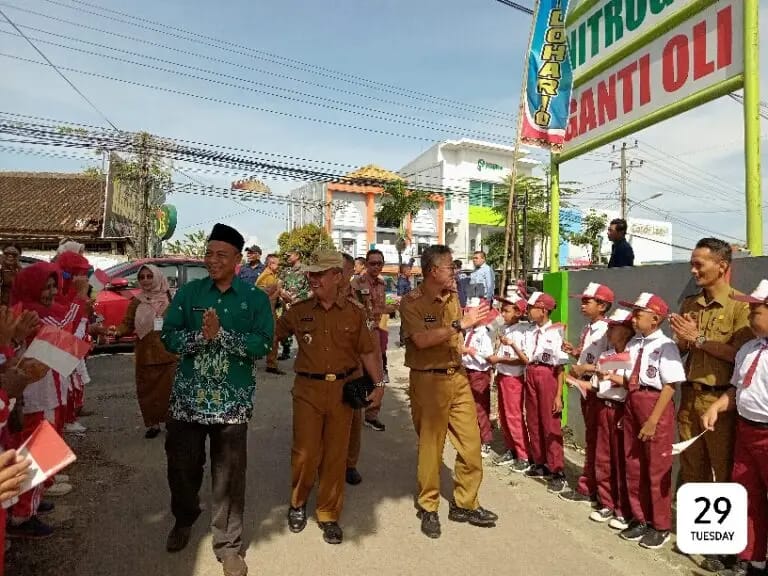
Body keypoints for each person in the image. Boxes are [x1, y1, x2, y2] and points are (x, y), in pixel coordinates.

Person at [161, 223, 273, 576]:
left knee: (229, 477)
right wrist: (201, 337)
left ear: (238, 259)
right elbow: (168, 336)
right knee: (182, 468)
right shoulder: (190, 293)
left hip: (231, 405)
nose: (212, 260)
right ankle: (185, 517)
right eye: (208, 254)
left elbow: (263, 343)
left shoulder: (255, 298)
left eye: (221, 255)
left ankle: (228, 545)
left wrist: (222, 336)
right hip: (187, 401)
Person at [275, 250, 383, 545]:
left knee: (336, 455)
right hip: (307, 391)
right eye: (311, 273)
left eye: (319, 273)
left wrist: (379, 384)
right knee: (305, 453)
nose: (313, 278)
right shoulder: (298, 311)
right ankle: (298, 502)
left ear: (337, 276)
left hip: (342, 393)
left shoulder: (354, 313)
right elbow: (271, 334)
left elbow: (367, 352)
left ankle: (328, 513)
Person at [400, 244, 498, 540]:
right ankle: (428, 506)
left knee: (471, 444)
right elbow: (421, 340)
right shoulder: (411, 302)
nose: (455, 271)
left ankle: (465, 503)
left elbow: (457, 335)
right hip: (428, 381)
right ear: (433, 271)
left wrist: (466, 332)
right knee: (431, 447)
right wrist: (459, 325)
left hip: (457, 377)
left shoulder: (453, 296)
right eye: (450, 266)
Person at [7, 262, 85, 538]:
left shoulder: (33, 309)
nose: (52, 292)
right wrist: (79, 297)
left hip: (46, 392)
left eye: (54, 286)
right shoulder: (30, 312)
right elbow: (66, 329)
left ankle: (30, 502)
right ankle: (22, 515)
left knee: (39, 449)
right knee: (36, 451)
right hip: (36, 396)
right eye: (46, 287)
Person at [702, 279, 768, 576]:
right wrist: (717, 406)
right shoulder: (749, 349)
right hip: (746, 430)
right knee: (746, 494)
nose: (750, 316)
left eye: (756, 310)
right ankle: (751, 559)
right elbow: (738, 388)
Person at [618, 292, 686, 550]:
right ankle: (640, 517)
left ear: (655, 319)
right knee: (634, 463)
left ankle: (660, 525)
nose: (633, 319)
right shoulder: (634, 344)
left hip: (654, 403)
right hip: (633, 400)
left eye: (638, 314)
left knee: (656, 467)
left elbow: (670, 385)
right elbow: (628, 376)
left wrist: (653, 420)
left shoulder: (666, 346)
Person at [109, 264, 178, 439]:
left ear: (157, 276)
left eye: (149, 276)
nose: (146, 280)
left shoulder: (171, 298)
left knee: (170, 392)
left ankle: (172, 423)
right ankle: (153, 424)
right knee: (147, 392)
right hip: (145, 355)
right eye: (142, 277)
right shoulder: (137, 301)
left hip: (168, 355)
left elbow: (181, 323)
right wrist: (117, 331)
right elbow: (127, 324)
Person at [560, 282, 613, 504]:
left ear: (602, 306)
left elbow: (610, 362)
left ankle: (596, 489)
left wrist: (584, 369)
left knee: (599, 442)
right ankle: (589, 484)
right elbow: (586, 356)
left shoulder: (608, 330)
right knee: (592, 438)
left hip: (599, 388)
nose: (582, 305)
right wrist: (574, 352)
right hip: (587, 386)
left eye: (587, 301)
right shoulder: (588, 328)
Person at [517, 291, 569, 493]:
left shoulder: (556, 331)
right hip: (531, 371)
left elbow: (560, 366)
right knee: (533, 419)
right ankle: (540, 462)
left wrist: (558, 395)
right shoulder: (531, 331)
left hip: (548, 374)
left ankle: (557, 470)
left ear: (544, 310)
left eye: (532, 308)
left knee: (550, 423)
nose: (528, 311)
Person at [340, 253, 384, 487]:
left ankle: (349, 464)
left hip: (354, 364)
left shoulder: (356, 299)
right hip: (327, 367)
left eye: (342, 271)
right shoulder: (317, 298)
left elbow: (368, 333)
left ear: (350, 272)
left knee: (353, 417)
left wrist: (377, 380)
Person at [588, 308, 634, 530]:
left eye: (614, 327)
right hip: (603, 407)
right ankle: (606, 502)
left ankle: (623, 509)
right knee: (603, 458)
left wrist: (611, 376)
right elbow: (597, 385)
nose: (609, 331)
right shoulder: (606, 355)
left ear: (626, 331)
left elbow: (633, 384)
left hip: (621, 409)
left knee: (621, 461)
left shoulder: (634, 356)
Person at [351, 249, 397, 432]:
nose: (376, 266)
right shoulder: (357, 283)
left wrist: (390, 307)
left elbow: (379, 307)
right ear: (366, 264)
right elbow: (356, 310)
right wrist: (383, 310)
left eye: (379, 263)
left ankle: (371, 414)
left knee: (377, 375)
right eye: (373, 263)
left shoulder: (381, 283)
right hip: (358, 335)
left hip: (375, 333)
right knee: (357, 374)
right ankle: (353, 414)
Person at [488, 294, 531, 471]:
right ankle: (511, 448)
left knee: (513, 416)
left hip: (513, 379)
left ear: (518, 313)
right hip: (503, 376)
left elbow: (522, 359)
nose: (503, 314)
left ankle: (523, 454)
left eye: (506, 311)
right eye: (502, 310)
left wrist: (499, 359)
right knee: (504, 415)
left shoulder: (522, 331)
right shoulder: (506, 328)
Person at [461, 306, 495, 457]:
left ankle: (485, 440)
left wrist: (470, 352)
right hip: (467, 371)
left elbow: (487, 359)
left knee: (480, 407)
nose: (466, 315)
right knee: (469, 406)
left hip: (479, 374)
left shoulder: (484, 335)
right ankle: (474, 436)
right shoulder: (469, 332)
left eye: (469, 312)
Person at [278, 250, 311, 361]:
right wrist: (283, 295)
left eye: (289, 255)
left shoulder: (306, 270)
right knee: (285, 328)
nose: (287, 257)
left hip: (302, 305)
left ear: (297, 256)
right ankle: (286, 351)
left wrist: (300, 299)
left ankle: (306, 353)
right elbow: (279, 286)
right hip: (287, 305)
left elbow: (313, 288)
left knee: (304, 329)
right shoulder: (285, 271)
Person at [256, 255, 284, 375]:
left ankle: (271, 363)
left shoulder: (272, 275)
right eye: (277, 264)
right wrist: (278, 288)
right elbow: (264, 295)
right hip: (266, 311)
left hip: (270, 310)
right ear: (270, 264)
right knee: (272, 337)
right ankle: (271, 364)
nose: (279, 266)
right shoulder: (266, 277)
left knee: (273, 336)